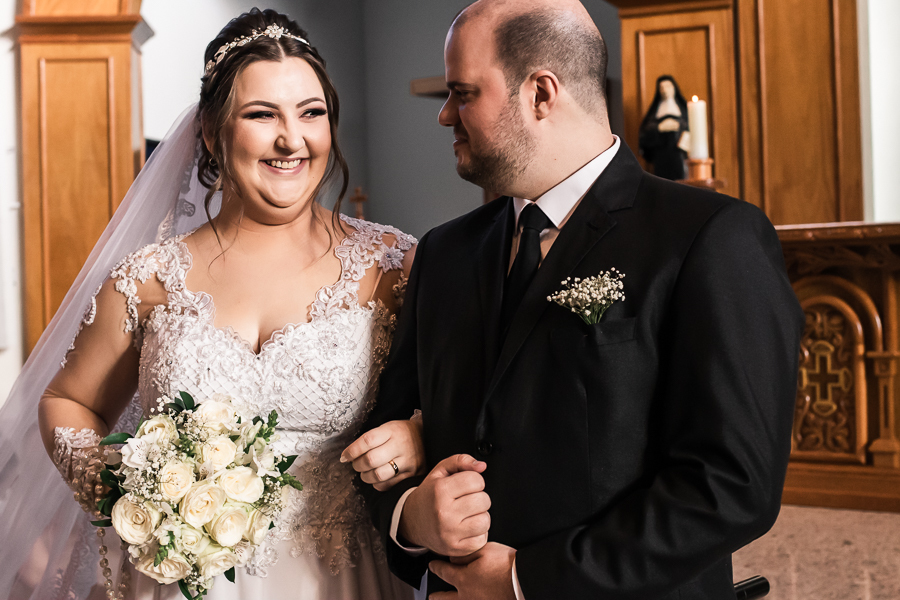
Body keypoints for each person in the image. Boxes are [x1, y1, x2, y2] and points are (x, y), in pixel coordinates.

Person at [349, 1, 804, 598]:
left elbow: (731, 483)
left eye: (463, 94)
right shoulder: (443, 253)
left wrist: (524, 581)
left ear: (541, 93)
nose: (444, 116)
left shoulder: (710, 238)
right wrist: (412, 516)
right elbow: (386, 434)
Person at [0, 9, 424, 600]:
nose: (291, 139)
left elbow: (462, 405)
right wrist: (118, 486)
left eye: (311, 113)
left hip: (339, 579)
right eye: (261, 115)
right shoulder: (149, 278)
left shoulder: (392, 267)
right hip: (177, 583)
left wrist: (417, 434)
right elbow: (67, 399)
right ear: (209, 132)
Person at [638, 75, 690, 180]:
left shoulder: (683, 110)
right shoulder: (654, 112)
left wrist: (679, 127)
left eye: (668, 86)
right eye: (662, 87)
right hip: (661, 155)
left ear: (674, 88)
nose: (665, 90)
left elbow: (692, 128)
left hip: (679, 155)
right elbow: (644, 135)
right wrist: (659, 128)